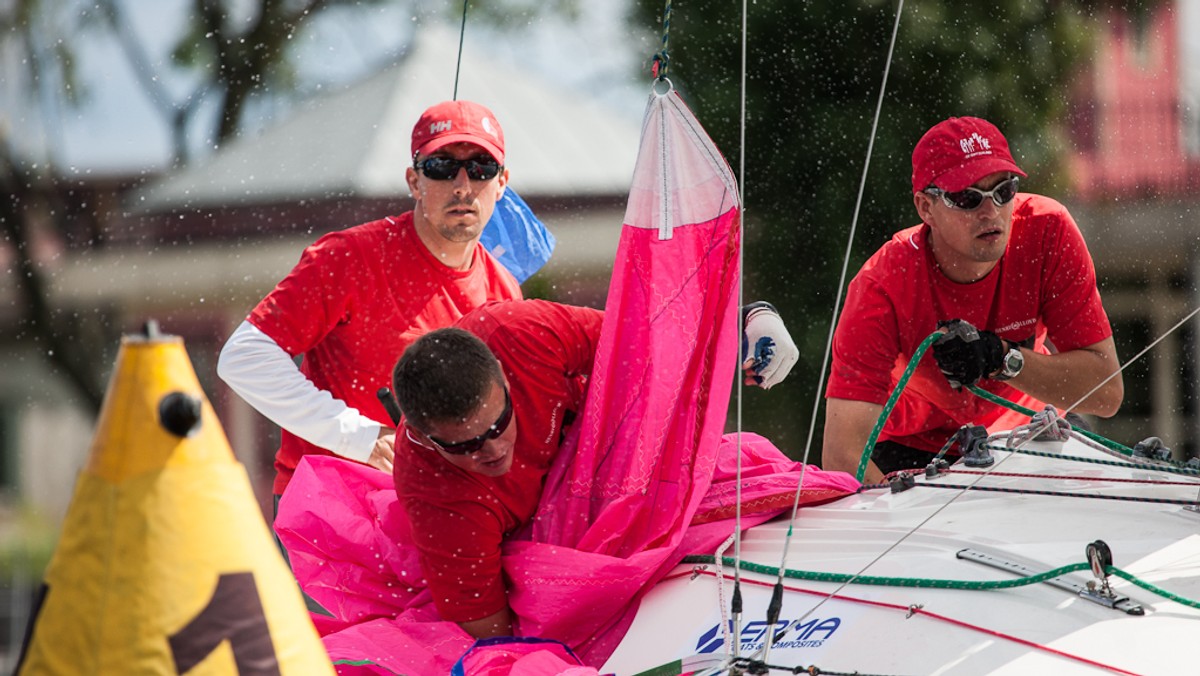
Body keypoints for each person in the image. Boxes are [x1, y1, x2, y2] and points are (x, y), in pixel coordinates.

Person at [390, 298, 799, 639]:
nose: (494, 449)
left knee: (766, 468)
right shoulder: (433, 494)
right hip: (553, 562)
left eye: (499, 423)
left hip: (623, 477)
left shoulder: (520, 333)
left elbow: (648, 344)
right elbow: (490, 637)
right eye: (467, 445)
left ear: (505, 380)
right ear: (426, 440)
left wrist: (746, 319)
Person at [217, 99, 521, 499]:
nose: (463, 185)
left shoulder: (505, 290)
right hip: (332, 506)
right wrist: (361, 438)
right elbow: (244, 357)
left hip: (435, 510)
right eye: (442, 168)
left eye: (481, 168)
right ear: (414, 181)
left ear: (501, 183)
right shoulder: (349, 256)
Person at [822, 116, 1124, 484]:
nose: (990, 212)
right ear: (925, 207)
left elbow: (1106, 394)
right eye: (967, 197)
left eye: (1003, 191)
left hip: (1031, 433)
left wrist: (1001, 358)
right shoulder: (881, 284)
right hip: (913, 448)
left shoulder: (1049, 230)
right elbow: (843, 455)